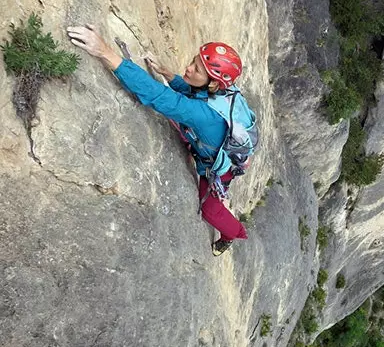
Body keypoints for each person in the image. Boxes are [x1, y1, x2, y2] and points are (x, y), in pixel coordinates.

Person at [66, 24, 251, 256]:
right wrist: (170, 76)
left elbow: (159, 97)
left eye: (196, 69)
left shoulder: (205, 116)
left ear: (213, 82)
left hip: (218, 168)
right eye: (193, 61)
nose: (188, 67)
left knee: (210, 211)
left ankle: (233, 234)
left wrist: (105, 51)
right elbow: (198, 94)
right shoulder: (220, 91)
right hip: (215, 150)